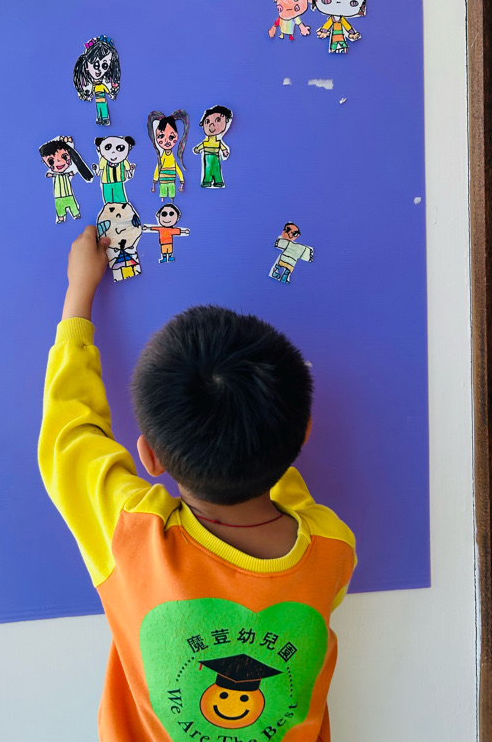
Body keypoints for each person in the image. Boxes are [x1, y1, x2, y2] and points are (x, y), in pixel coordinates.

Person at [39, 227, 356, 742]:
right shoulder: (332, 547)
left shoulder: (133, 536)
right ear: (305, 435)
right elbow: (290, 495)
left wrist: (79, 295)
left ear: (150, 457)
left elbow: (69, 436)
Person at [192, 105, 232, 188]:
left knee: (216, 169)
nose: (211, 125)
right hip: (207, 157)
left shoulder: (218, 142)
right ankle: (207, 181)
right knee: (208, 169)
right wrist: (197, 149)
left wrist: (224, 151)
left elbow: (222, 146)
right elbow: (202, 145)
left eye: (218, 120)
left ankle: (218, 181)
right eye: (207, 121)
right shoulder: (206, 142)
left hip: (216, 156)